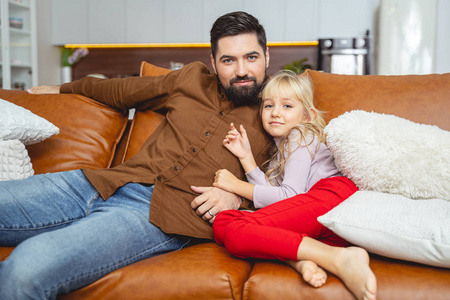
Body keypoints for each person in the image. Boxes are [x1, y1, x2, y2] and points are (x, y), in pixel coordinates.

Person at [0, 11, 272, 299]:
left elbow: (293, 192)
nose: (241, 70)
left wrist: (238, 198)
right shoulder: (190, 78)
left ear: (266, 56)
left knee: (28, 267)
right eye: (229, 60)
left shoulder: (281, 110)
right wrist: (64, 88)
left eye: (251, 57)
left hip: (154, 216)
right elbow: (124, 90)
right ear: (214, 63)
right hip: (101, 183)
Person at [212, 71, 377, 300]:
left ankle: (341, 259)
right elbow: (276, 200)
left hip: (333, 195)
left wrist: (235, 185)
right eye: (268, 105)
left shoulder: (301, 135)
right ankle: (300, 259)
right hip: (322, 224)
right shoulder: (282, 149)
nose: (275, 112)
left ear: (307, 116)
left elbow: (288, 196)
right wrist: (246, 158)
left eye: (287, 106)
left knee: (230, 224)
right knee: (226, 223)